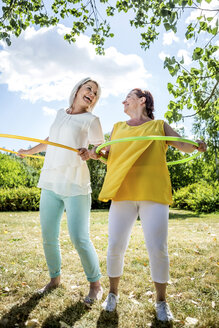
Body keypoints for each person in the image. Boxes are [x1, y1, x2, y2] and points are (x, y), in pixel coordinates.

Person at [80, 88, 207, 321]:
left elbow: (182, 144)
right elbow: (108, 154)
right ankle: (112, 294)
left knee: (158, 248)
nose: (123, 101)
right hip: (123, 192)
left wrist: (196, 145)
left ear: (142, 100)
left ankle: (161, 301)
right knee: (115, 245)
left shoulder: (159, 126)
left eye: (128, 97)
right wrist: (95, 154)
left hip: (153, 193)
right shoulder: (118, 128)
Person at [17, 77, 105, 305]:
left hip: (76, 184)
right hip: (51, 182)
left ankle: (96, 284)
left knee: (79, 237)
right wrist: (29, 151)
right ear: (77, 90)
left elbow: (102, 151)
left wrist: (91, 153)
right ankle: (54, 279)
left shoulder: (91, 120)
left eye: (95, 92)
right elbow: (51, 141)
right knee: (48, 236)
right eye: (89, 88)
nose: (92, 93)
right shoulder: (60, 113)